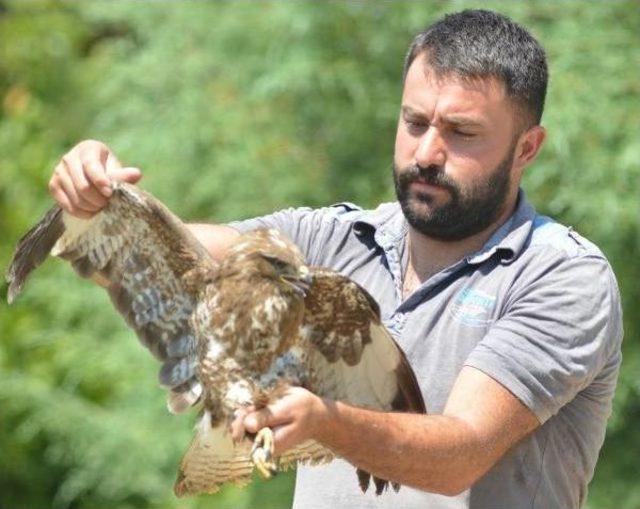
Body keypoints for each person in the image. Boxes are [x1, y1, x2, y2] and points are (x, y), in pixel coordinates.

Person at [46, 9, 622, 509]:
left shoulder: (561, 274)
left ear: (527, 148)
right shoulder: (332, 239)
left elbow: (460, 453)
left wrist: (327, 422)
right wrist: (103, 200)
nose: (426, 152)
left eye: (462, 132)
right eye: (414, 122)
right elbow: (185, 254)